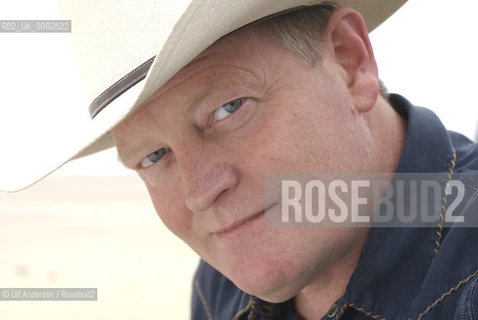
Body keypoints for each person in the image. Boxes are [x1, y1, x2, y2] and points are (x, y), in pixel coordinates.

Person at [2, 1, 478, 319]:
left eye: (228, 109)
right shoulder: (220, 289)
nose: (200, 191)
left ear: (348, 61)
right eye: (153, 155)